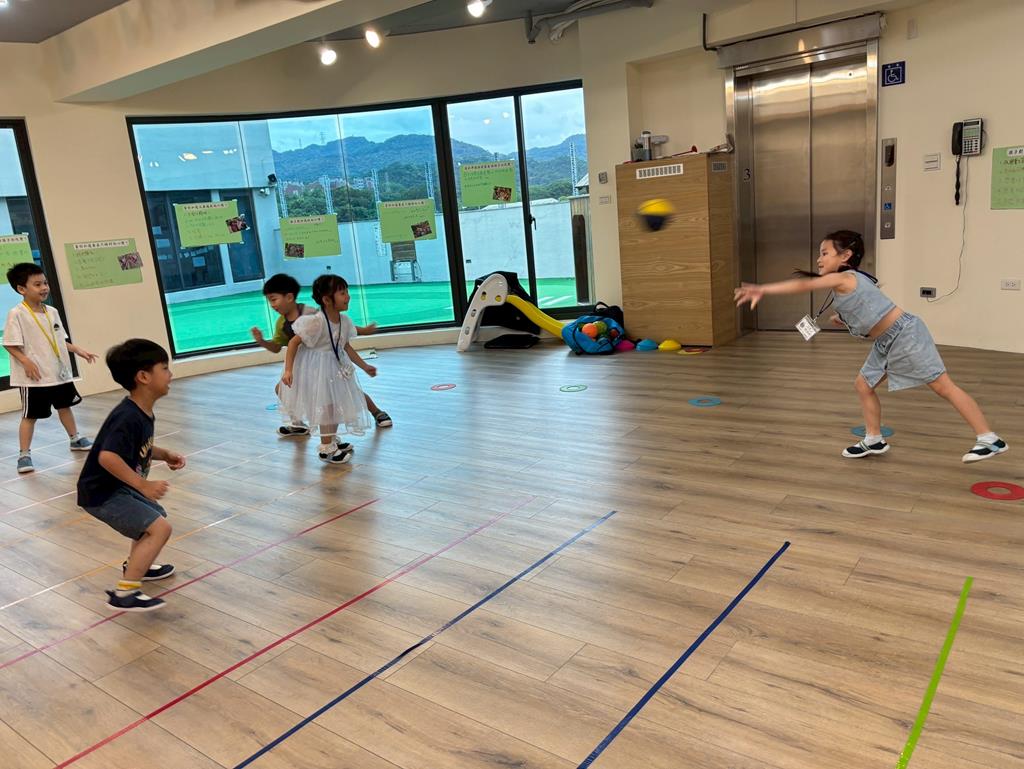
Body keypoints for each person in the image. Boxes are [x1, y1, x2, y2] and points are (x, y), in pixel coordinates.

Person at [734, 230, 1008, 463]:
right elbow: (869, 309)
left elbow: (806, 285)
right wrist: (843, 319)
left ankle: (990, 439)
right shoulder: (849, 283)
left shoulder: (844, 277)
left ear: (846, 256)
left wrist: (763, 290)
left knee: (942, 386)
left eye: (825, 253)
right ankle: (874, 440)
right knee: (863, 385)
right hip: (886, 340)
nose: (819, 259)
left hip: (906, 334)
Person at [77, 339, 185, 612]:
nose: (170, 374)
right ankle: (124, 594)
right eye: (164, 368)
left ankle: (138, 565)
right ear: (143, 377)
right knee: (159, 528)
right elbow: (107, 457)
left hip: (116, 487)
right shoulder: (128, 416)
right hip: (102, 493)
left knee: (154, 516)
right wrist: (142, 485)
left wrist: (164, 454)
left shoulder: (140, 411)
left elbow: (137, 448)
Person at [251, 273, 392, 436]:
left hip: (325, 362)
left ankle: (375, 412)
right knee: (283, 390)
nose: (272, 305)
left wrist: (364, 332)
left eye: (274, 299)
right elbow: (278, 347)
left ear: (289, 297)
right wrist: (262, 341)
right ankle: (299, 424)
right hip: (306, 366)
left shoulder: (311, 314)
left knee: (345, 392)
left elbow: (336, 328)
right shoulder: (282, 323)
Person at [3, 262, 98, 474]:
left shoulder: (52, 312)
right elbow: (9, 344)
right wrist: (26, 361)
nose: (44, 287)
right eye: (37, 284)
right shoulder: (17, 314)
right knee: (30, 416)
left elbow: (59, 340)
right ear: (21, 289)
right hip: (34, 379)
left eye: (45, 283)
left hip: (58, 374)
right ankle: (24, 455)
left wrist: (78, 350)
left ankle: (75, 439)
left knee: (65, 407)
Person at [279, 274, 376, 464]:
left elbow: (345, 346)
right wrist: (288, 370)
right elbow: (293, 343)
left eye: (347, 291)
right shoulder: (316, 322)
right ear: (327, 300)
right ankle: (326, 449)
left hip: (335, 368)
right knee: (326, 407)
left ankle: (330, 440)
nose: (348, 296)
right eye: (342, 293)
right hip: (316, 370)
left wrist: (365, 366)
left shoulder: (344, 321)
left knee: (335, 405)